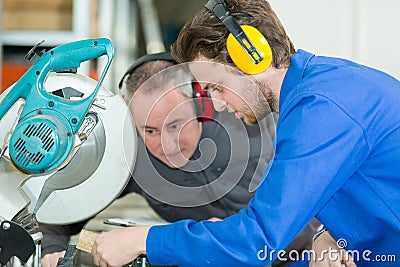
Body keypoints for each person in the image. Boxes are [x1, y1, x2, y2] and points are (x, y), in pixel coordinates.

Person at [90, 0, 400, 266]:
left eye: (214, 86)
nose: (216, 105)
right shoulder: (318, 92)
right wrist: (328, 234)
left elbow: (257, 241)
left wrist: (143, 240)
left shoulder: (322, 109)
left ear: (252, 55)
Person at [40, 52, 319, 267]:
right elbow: (69, 203)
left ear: (200, 102)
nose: (167, 145)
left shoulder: (252, 131)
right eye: (149, 130)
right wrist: (53, 248)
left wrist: (209, 239)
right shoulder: (132, 153)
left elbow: (296, 229)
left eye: (176, 125)